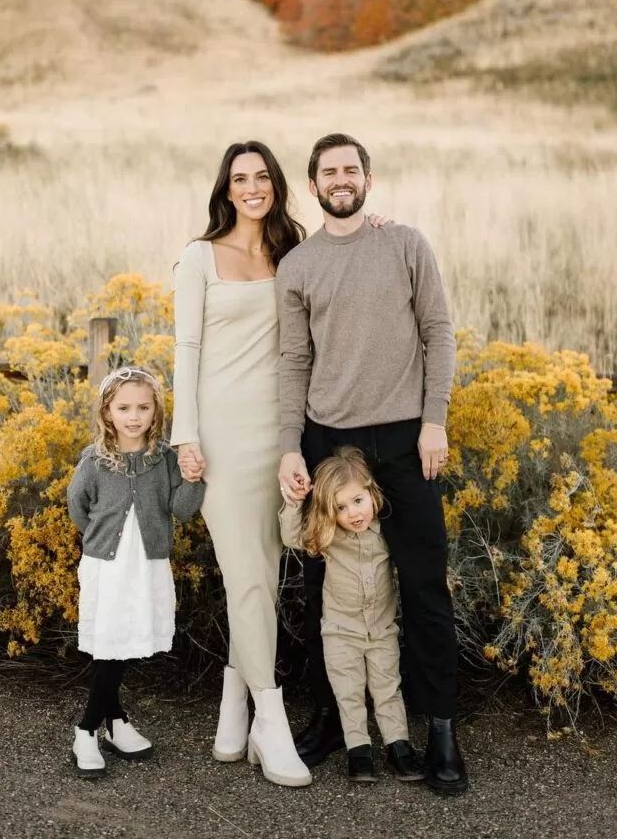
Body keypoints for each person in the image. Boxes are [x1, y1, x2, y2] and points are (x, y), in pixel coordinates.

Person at [171, 140, 391, 788]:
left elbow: (345, 256)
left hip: (284, 435)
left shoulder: (295, 253)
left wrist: (376, 231)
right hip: (221, 437)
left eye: (261, 176)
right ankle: (270, 722)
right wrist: (186, 436)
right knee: (248, 579)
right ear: (226, 188)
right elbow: (185, 349)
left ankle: (232, 704)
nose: (251, 187)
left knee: (267, 574)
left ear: (274, 184)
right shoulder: (197, 257)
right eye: (239, 178)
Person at [276, 132, 468, 796]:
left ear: (367, 177)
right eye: (329, 171)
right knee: (321, 586)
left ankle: (439, 725)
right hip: (328, 440)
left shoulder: (405, 243)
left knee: (421, 582)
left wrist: (434, 419)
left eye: (350, 168)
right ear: (314, 183)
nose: (341, 178)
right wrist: (288, 446)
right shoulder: (298, 266)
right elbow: (294, 361)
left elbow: (437, 332)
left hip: (405, 438)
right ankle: (333, 717)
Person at [67, 366, 205, 778]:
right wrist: (102, 538)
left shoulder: (164, 459)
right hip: (106, 565)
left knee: (120, 641)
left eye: (143, 407)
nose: (133, 416)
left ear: (155, 411)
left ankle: (116, 722)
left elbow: (182, 509)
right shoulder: (94, 460)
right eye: (124, 407)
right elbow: (78, 507)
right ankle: (87, 729)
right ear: (107, 412)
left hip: (146, 564)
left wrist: (194, 478)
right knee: (110, 642)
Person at [279, 446, 425, 785]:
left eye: (358, 501)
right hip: (340, 632)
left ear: (371, 492)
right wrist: (292, 503)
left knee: (388, 687)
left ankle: (398, 746)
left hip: (382, 629)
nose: (353, 513)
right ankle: (358, 749)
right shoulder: (329, 536)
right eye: (341, 508)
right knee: (349, 692)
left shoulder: (387, 533)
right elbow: (290, 536)